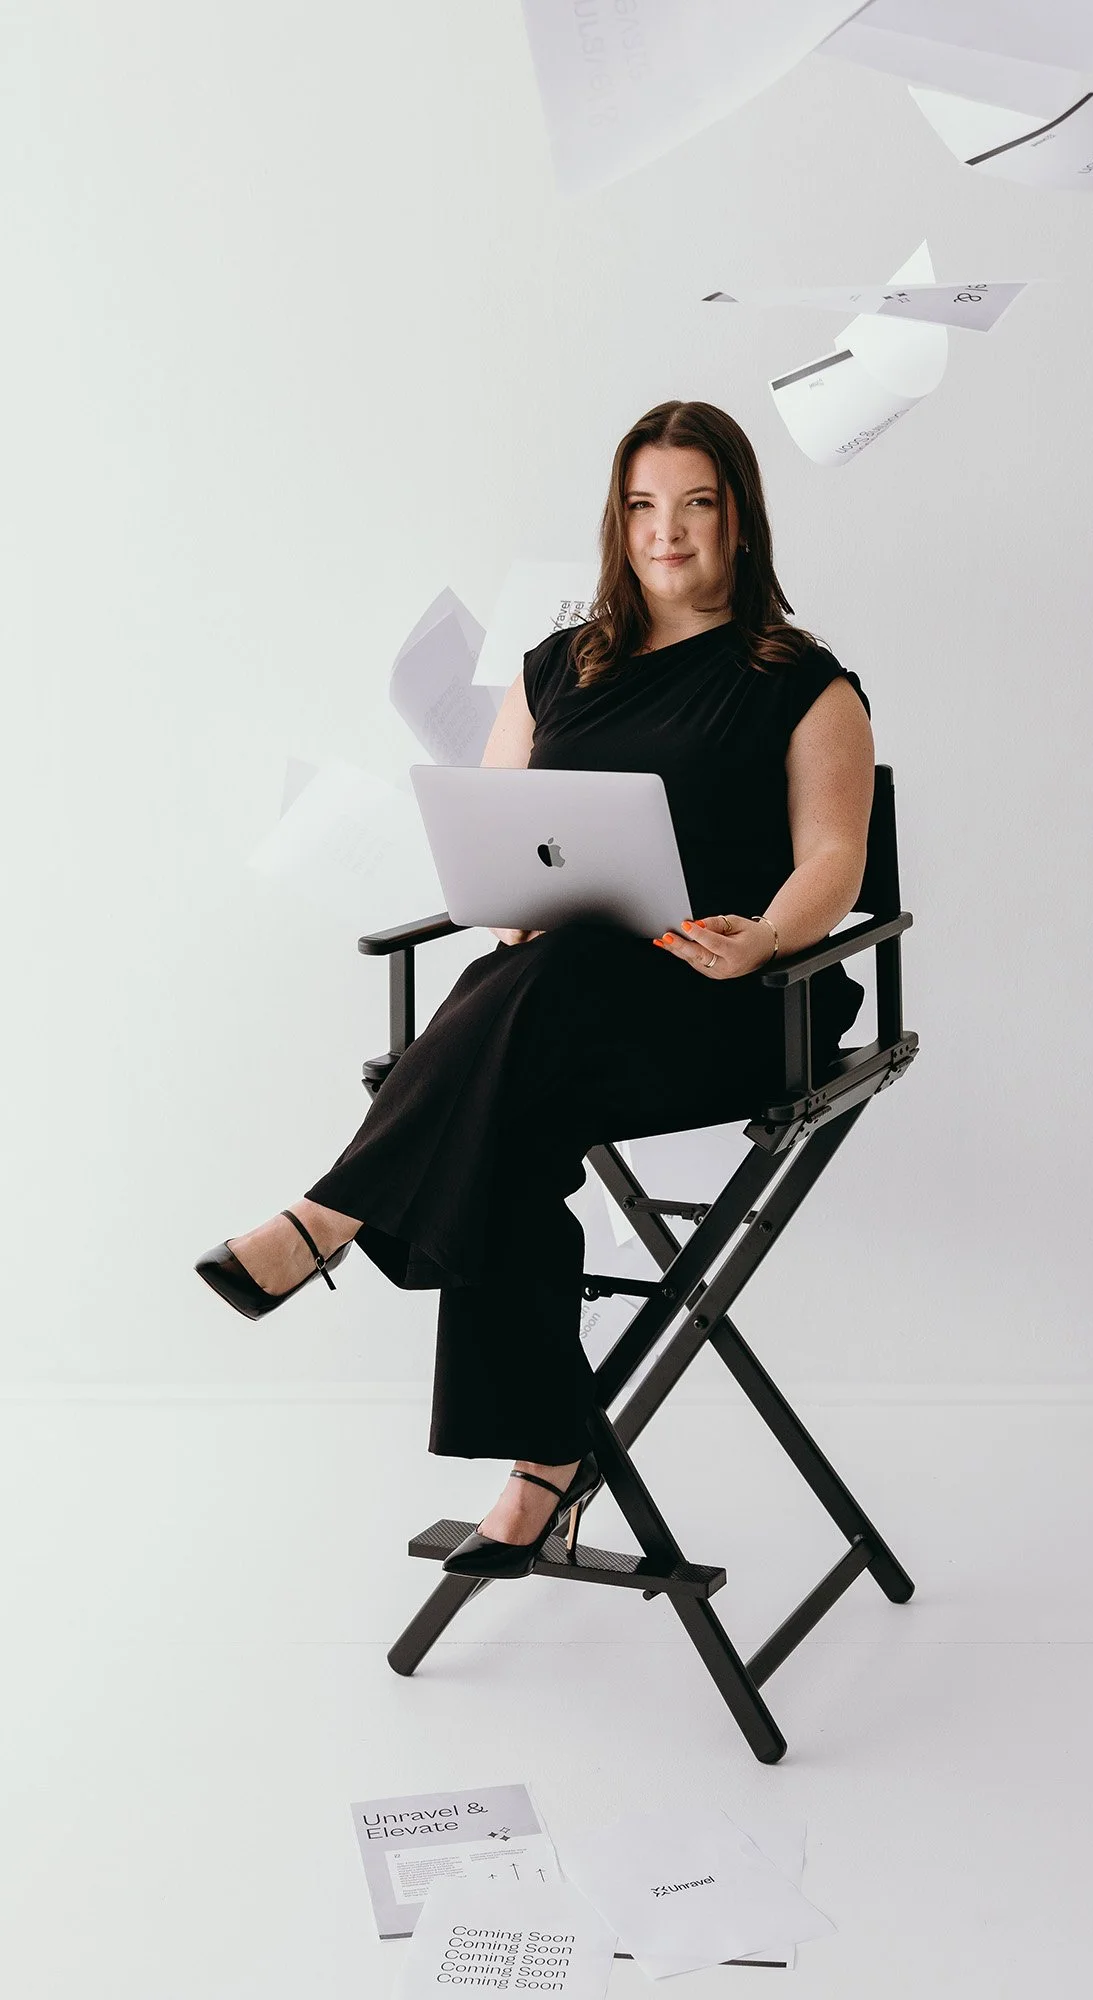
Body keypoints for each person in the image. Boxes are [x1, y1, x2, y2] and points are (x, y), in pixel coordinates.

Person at [195, 398, 875, 1577]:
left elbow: (834, 859)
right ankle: (543, 1470)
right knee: (515, 1061)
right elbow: (496, 825)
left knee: (509, 1028)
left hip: (735, 1003)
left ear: (739, 519)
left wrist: (766, 935)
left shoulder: (803, 683)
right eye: (643, 505)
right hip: (559, 1009)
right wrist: (507, 895)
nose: (667, 532)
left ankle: (331, 1216)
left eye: (696, 503)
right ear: (617, 520)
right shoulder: (558, 668)